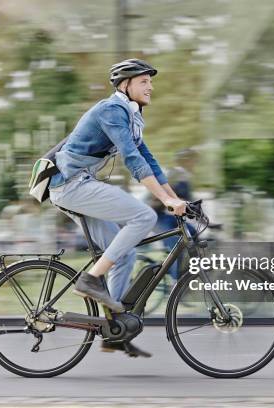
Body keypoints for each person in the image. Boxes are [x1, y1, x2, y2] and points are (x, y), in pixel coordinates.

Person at [48, 59, 186, 357]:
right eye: (144, 81)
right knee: (144, 215)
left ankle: (114, 331)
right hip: (71, 185)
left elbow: (148, 161)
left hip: (78, 185)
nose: (151, 86)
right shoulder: (111, 110)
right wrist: (163, 202)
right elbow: (131, 159)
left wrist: (176, 199)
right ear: (125, 85)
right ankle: (91, 279)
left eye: (150, 81)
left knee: (125, 253)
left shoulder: (132, 116)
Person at [150, 148, 198, 280]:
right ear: (185, 161)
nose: (194, 163)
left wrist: (209, 222)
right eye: (192, 160)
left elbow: (190, 204)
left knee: (193, 233)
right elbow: (159, 198)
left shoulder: (186, 177)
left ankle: (184, 272)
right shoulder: (173, 174)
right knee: (177, 246)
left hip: (168, 217)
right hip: (156, 216)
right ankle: (177, 284)